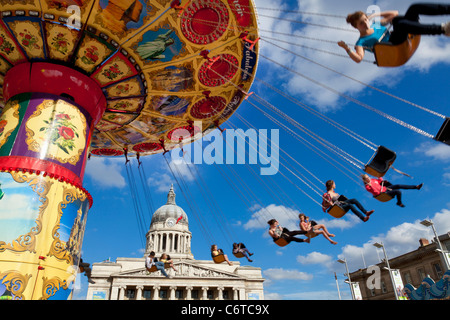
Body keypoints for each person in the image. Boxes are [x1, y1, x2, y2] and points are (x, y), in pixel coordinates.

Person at [338, 3, 450, 63]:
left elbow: (394, 13)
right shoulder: (361, 42)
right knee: (400, 24)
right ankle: (443, 29)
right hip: (394, 48)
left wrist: (374, 15)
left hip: (400, 37)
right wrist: (347, 48)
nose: (366, 24)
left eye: (366, 20)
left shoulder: (375, 24)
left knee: (413, 8)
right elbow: (358, 58)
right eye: (361, 23)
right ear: (356, 27)